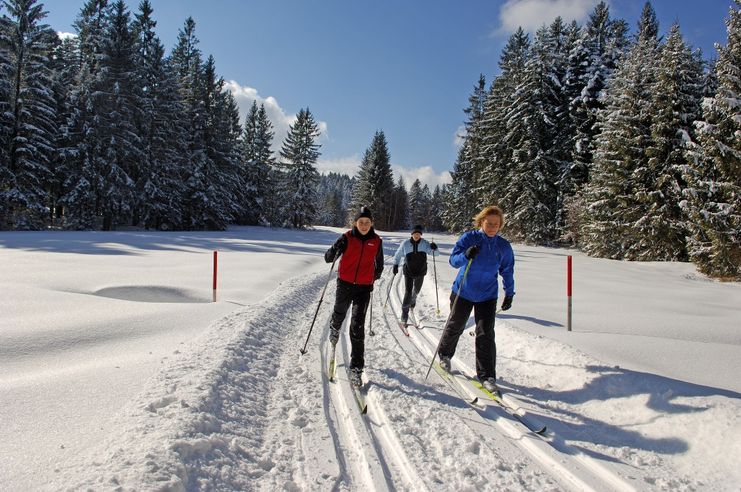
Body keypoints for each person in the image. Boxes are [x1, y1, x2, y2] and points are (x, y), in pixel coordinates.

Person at [436, 205, 514, 393]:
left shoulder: (503, 246)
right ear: (481, 222)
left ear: (500, 225)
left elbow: (507, 271)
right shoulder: (470, 238)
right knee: (456, 325)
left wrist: (509, 293)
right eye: (489, 223)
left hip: (487, 295)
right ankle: (445, 355)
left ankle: (487, 376)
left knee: (486, 334)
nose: (492, 227)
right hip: (463, 290)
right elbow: (453, 260)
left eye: (496, 224)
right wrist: (465, 255)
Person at [324, 206, 384, 387]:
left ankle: (357, 368)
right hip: (345, 284)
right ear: (355, 223)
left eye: (367, 222)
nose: (364, 225)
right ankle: (335, 328)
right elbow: (328, 258)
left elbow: (379, 266)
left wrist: (371, 277)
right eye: (361, 222)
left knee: (358, 326)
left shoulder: (377, 241)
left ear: (371, 223)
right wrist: (336, 247)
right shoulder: (346, 238)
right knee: (340, 312)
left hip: (364, 289)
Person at [391, 224, 438, 325]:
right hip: (408, 271)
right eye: (415, 233)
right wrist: (395, 264)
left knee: (416, 290)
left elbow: (436, 254)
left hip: (421, 271)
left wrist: (435, 248)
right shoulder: (405, 243)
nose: (416, 235)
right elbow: (398, 254)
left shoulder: (425, 244)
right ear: (412, 234)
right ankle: (404, 314)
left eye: (418, 234)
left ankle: (413, 300)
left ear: (420, 235)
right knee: (408, 292)